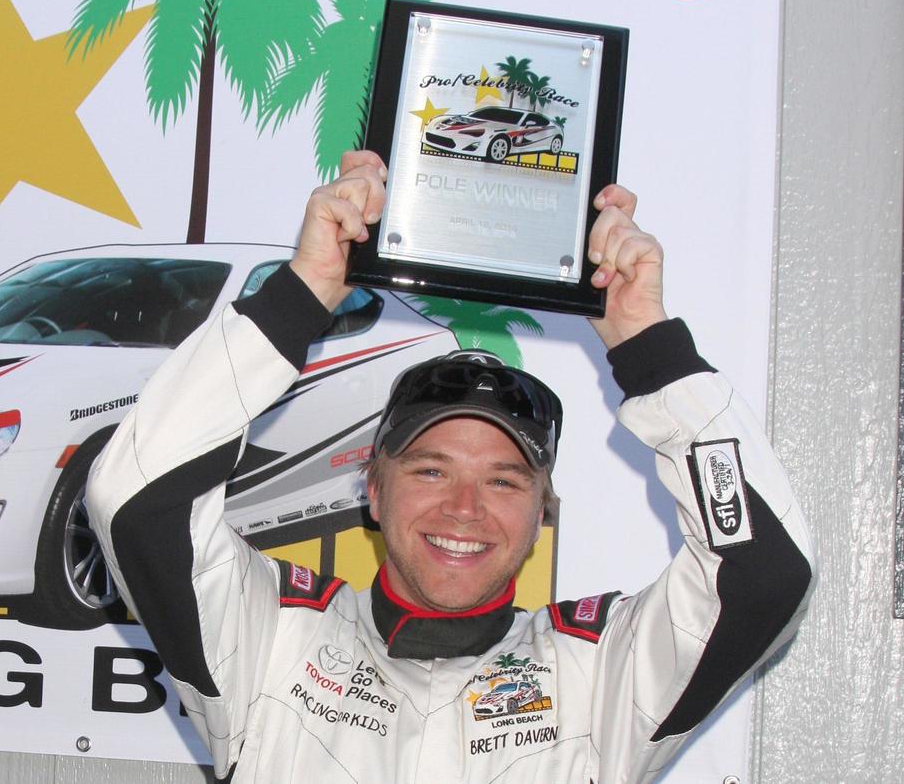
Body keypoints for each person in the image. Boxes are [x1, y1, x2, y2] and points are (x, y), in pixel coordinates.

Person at [85, 151, 815, 782]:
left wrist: (648, 345)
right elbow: (136, 499)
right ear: (371, 489)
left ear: (543, 511)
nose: (463, 508)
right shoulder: (270, 636)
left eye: (503, 480)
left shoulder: (600, 674)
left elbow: (764, 573)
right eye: (430, 471)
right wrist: (300, 296)